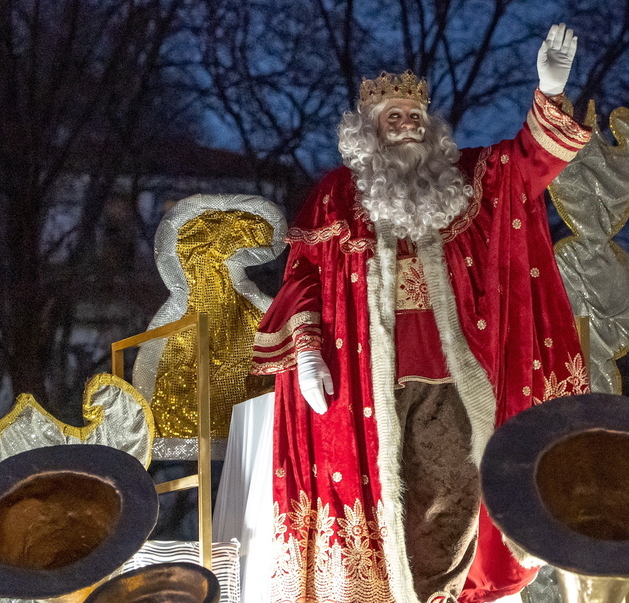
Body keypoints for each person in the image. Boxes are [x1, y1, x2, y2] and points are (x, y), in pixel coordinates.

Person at [251, 23, 591, 603]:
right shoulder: (335, 194)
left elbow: (526, 166)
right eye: (394, 118)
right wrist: (306, 352)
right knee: (372, 495)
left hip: (450, 379)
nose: (407, 126)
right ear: (368, 131)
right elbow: (303, 275)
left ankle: (438, 596)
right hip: (358, 385)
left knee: (452, 493)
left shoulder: (463, 182)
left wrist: (547, 93)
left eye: (415, 117)